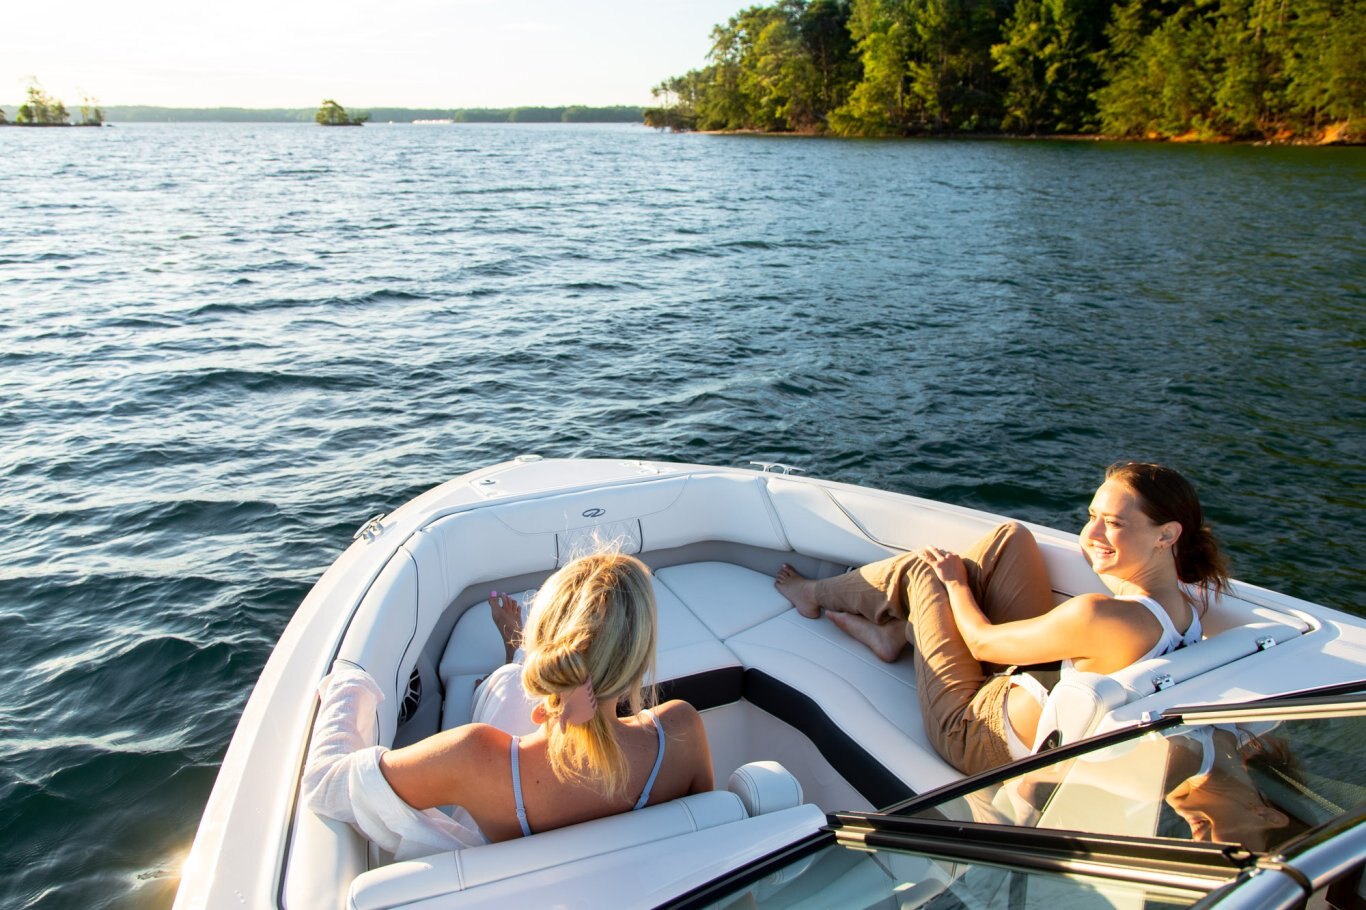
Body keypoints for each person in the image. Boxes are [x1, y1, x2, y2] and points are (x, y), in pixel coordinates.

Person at [774, 461, 1229, 777]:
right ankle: (897, 634)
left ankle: (812, 595)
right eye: (1091, 516)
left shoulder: (1102, 615)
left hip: (976, 733)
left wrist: (955, 583)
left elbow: (982, 643)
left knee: (924, 570)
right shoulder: (1186, 613)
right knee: (1011, 538)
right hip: (1026, 688)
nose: (1090, 533)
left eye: (1114, 523)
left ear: (1167, 535)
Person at [304, 552, 714, 857]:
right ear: (639, 663)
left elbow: (325, 783)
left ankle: (513, 660)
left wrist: (350, 679)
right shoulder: (681, 731)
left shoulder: (474, 757)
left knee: (508, 689)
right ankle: (512, 657)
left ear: (544, 649)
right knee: (512, 689)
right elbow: (707, 835)